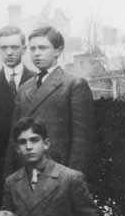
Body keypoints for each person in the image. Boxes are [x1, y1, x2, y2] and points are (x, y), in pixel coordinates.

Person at [7, 26, 94, 177]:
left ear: (58, 51)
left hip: (58, 174)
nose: (37, 54)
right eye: (33, 49)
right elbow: (13, 139)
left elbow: (81, 142)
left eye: (42, 48)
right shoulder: (24, 88)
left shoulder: (73, 85)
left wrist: (72, 180)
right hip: (27, 173)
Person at [0, 26, 34, 207]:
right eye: (4, 48)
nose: (9, 52)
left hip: (33, 164)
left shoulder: (38, 81)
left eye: (14, 47)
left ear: (24, 49)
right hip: (0, 170)